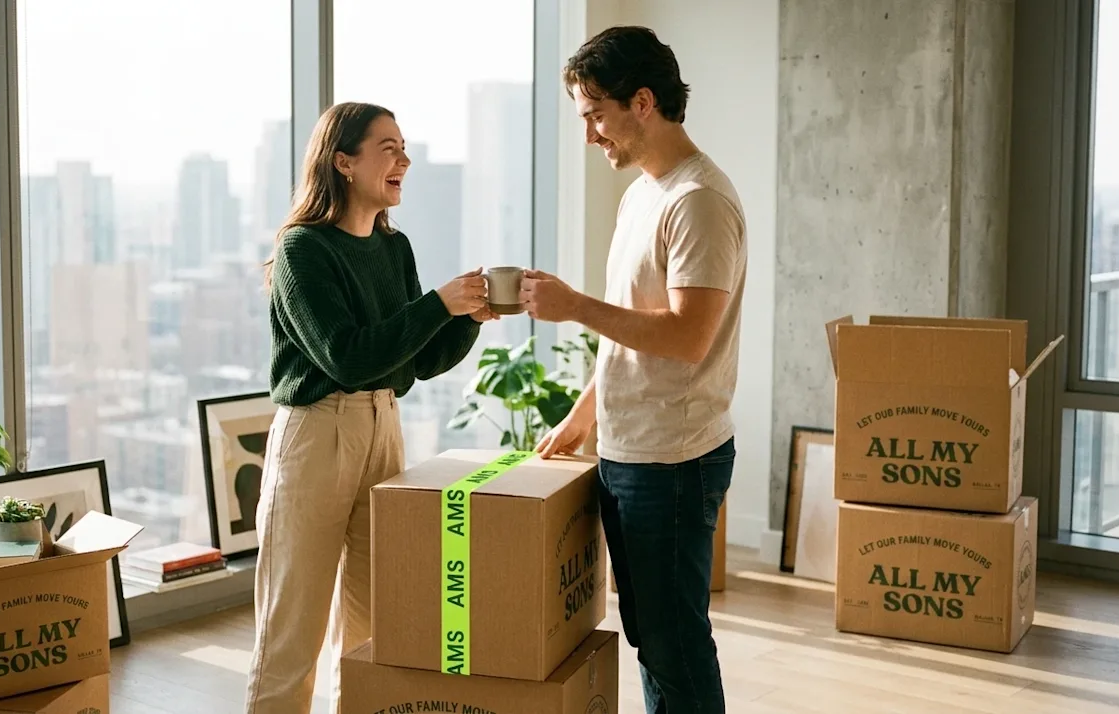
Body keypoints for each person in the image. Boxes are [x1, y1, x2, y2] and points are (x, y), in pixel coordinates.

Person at [522, 26, 747, 714]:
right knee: (653, 637)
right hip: (629, 450)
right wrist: (583, 415)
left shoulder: (697, 201)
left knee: (675, 643)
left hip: (673, 461)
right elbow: (634, 325)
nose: (589, 133)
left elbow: (686, 337)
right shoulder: (643, 194)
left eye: (595, 112)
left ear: (642, 101)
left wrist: (572, 306)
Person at [246, 101, 496, 714]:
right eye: (389, 147)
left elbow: (414, 362)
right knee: (293, 623)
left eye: (404, 147)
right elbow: (348, 357)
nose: (404, 159)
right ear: (344, 162)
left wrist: (466, 319)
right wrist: (438, 304)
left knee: (371, 622)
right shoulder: (303, 249)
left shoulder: (394, 248)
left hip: (384, 424)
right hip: (317, 433)